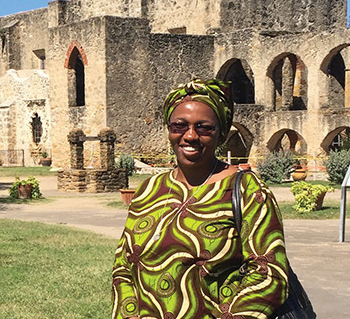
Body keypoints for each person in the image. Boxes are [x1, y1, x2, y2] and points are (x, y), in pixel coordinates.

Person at [112, 79, 289, 319]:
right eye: (179, 126)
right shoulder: (149, 190)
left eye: (204, 127)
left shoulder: (248, 190)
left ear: (221, 134)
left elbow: (269, 276)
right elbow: (123, 266)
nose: (190, 136)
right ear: (169, 130)